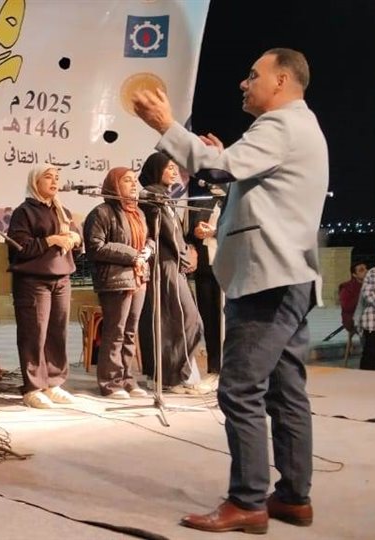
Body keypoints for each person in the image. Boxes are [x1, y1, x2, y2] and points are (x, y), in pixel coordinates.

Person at [135, 47, 326, 533]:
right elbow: (245, 179)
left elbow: (219, 169)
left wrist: (166, 126)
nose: (244, 82)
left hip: (267, 280)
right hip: (291, 278)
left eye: (253, 74)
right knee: (286, 393)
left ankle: (248, 501)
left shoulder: (279, 126)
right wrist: (223, 159)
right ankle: (293, 497)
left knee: (240, 390)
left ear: (281, 81)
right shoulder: (302, 126)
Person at [6, 164, 82, 408]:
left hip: (62, 278)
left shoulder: (62, 211)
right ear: (35, 182)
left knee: (57, 332)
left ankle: (53, 383)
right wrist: (51, 240)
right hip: (33, 281)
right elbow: (19, 247)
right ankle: (32, 388)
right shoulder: (24, 212)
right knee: (34, 334)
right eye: (48, 177)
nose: (54, 181)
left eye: (57, 177)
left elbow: (77, 244)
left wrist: (75, 238)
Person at [137, 152, 209, 394]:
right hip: (164, 265)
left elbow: (175, 232)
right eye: (168, 167)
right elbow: (167, 232)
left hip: (172, 263)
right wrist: (186, 255)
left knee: (178, 321)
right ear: (156, 170)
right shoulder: (152, 196)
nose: (174, 171)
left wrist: (186, 253)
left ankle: (177, 375)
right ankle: (169, 377)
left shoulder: (164, 196)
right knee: (181, 320)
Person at [83, 168, 153, 399]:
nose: (133, 185)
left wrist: (148, 249)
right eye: (127, 180)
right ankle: (110, 383)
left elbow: (148, 238)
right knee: (115, 332)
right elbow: (95, 247)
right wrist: (132, 254)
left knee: (131, 333)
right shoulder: (101, 213)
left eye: (134, 181)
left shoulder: (138, 212)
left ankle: (128, 379)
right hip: (115, 280)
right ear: (114, 185)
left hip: (139, 277)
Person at [185, 178, 225, 375]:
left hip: (228, 268)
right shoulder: (202, 201)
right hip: (205, 270)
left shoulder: (234, 202)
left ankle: (231, 369)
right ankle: (214, 368)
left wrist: (215, 232)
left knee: (228, 319)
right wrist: (196, 233)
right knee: (209, 319)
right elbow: (188, 234)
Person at [338, 261, 368, 335]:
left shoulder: (373, 284)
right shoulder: (347, 287)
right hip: (353, 318)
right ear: (354, 275)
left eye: (366, 269)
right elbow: (346, 306)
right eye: (361, 270)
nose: (366, 271)